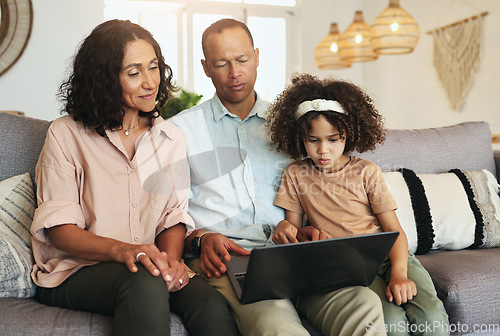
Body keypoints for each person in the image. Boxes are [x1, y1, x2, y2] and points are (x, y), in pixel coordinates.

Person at [170, 18, 387, 336]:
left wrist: (308, 229)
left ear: (257, 56)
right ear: (205, 67)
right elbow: (167, 217)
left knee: (363, 304)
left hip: (296, 256)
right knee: (278, 327)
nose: (234, 73)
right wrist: (201, 239)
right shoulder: (180, 131)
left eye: (243, 60)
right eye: (221, 63)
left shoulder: (295, 127)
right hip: (235, 262)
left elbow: (315, 191)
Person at [30, 19, 239, 336]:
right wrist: (124, 250)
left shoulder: (171, 138)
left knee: (211, 305)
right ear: (104, 80)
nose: (150, 82)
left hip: (148, 267)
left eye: (153, 67)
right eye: (133, 73)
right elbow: (61, 231)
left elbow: (173, 217)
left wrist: (170, 263)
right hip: (75, 271)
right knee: (145, 281)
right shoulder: (65, 134)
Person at [267, 73, 449, 336]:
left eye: (333, 139)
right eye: (313, 140)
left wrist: (399, 274)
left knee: (431, 319)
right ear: (299, 138)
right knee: (391, 324)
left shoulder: (367, 172)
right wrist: (284, 227)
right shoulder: (295, 174)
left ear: (348, 135)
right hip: (352, 270)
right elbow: (293, 232)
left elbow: (394, 231)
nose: (323, 150)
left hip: (392, 258)